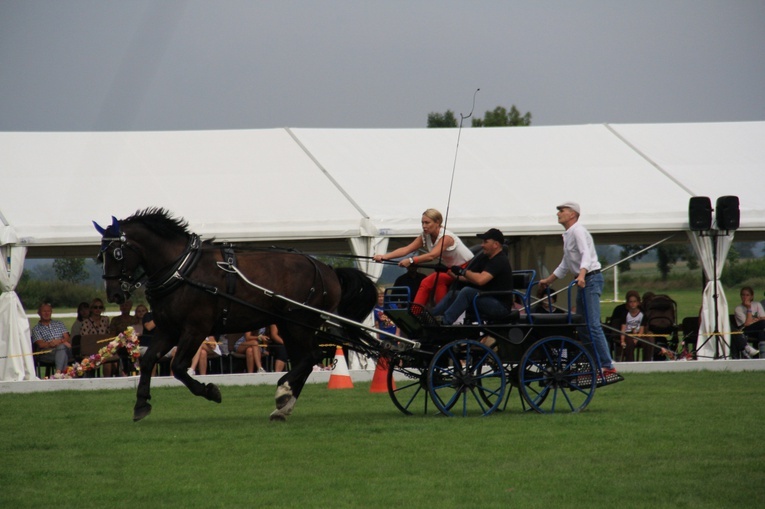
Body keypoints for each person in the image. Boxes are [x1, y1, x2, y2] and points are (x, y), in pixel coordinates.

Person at [538, 202, 617, 376]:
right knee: (582, 326)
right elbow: (565, 264)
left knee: (593, 325)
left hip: (590, 278)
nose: (558, 213)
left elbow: (585, 256)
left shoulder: (579, 231)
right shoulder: (568, 234)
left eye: (562, 211)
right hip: (584, 280)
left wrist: (581, 275)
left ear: (572, 214)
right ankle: (596, 364)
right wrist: (548, 281)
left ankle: (607, 365)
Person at [373, 208, 473, 307]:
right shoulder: (426, 235)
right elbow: (407, 249)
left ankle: (442, 313)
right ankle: (416, 314)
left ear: (437, 222)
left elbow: (432, 255)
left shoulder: (446, 237)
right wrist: (384, 256)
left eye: (427, 223)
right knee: (427, 282)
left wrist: (411, 260)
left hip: (467, 268)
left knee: (438, 279)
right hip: (452, 269)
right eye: (422, 223)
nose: (424, 226)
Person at [431, 228, 514, 325]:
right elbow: (467, 278)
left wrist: (462, 271)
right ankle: (430, 317)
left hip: (500, 306)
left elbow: (480, 280)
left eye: (485, 242)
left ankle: (445, 322)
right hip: (486, 299)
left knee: (467, 291)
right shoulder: (485, 258)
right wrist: (447, 270)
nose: (482, 245)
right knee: (454, 294)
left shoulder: (499, 260)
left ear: (495, 244)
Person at [31, 303, 72, 374]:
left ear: (51, 312)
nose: (47, 313)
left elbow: (67, 338)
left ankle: (58, 373)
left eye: (48, 311)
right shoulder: (36, 329)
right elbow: (41, 344)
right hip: (48, 353)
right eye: (44, 311)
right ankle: (63, 373)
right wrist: (51, 344)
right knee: (63, 351)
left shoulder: (59, 324)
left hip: (65, 349)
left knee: (62, 348)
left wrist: (59, 342)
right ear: (39, 313)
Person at [733, 286, 763, 358]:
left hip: (758, 329)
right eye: (743, 295)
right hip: (746, 330)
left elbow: (763, 317)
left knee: (762, 333)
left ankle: (761, 357)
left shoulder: (757, 304)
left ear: (751, 296)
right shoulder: (738, 309)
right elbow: (747, 324)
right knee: (762, 324)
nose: (745, 297)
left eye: (747, 295)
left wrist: (756, 320)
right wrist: (749, 308)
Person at [618, 290, 644, 362]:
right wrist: (622, 340)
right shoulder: (625, 314)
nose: (633, 304)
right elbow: (623, 329)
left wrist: (637, 338)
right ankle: (630, 362)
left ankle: (647, 362)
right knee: (629, 342)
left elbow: (642, 328)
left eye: (635, 301)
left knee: (649, 341)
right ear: (628, 303)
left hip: (638, 334)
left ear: (638, 302)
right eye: (631, 302)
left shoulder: (642, 314)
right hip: (628, 334)